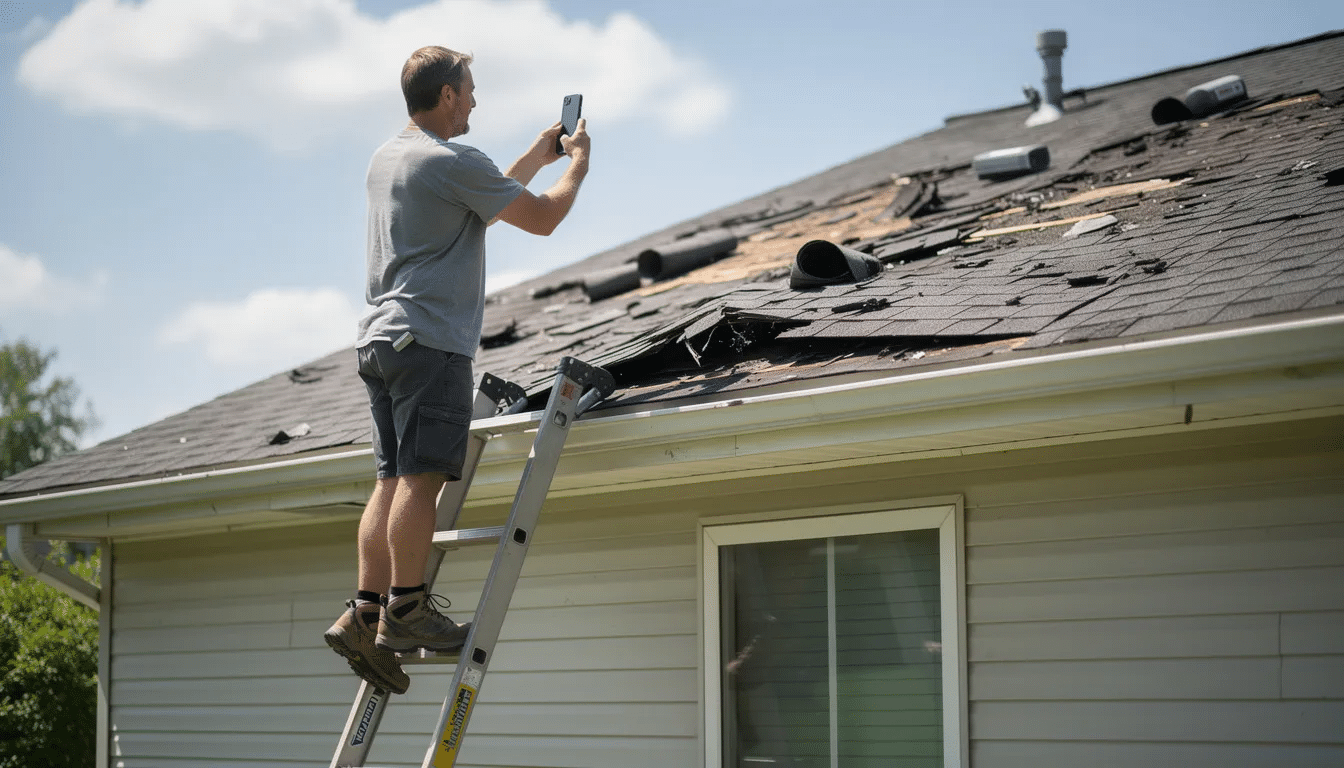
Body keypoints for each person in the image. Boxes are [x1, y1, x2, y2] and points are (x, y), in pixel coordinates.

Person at [324, 45, 590, 694]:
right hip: (430, 344)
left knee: (388, 482)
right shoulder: (454, 162)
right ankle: (406, 610)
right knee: (420, 484)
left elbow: (472, 196)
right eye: (469, 90)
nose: (474, 101)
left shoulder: (391, 158)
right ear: (446, 95)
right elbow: (543, 218)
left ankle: (365, 611)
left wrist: (533, 157)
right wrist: (576, 168)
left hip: (380, 344)